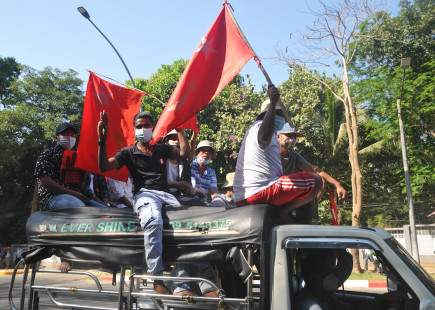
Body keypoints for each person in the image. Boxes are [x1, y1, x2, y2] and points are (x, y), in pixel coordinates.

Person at [97, 110, 194, 295]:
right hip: (144, 195)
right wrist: (102, 140)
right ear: (134, 130)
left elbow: (184, 154)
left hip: (167, 195)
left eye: (146, 126)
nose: (143, 129)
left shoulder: (162, 149)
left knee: (187, 228)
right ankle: (157, 280)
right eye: (139, 126)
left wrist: (180, 130)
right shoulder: (127, 152)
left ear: (153, 128)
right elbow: (104, 167)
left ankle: (180, 284)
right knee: (153, 221)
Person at [233, 85, 323, 221]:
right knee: (317, 181)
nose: (282, 120)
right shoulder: (259, 127)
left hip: (248, 194)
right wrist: (273, 104)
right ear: (269, 113)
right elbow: (263, 137)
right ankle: (281, 212)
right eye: (279, 115)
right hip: (262, 190)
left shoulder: (262, 133)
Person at [34, 121, 88, 272]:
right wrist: (74, 194)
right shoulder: (47, 154)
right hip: (51, 198)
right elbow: (45, 181)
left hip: (76, 196)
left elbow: (80, 187)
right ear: (57, 137)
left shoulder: (78, 156)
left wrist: (83, 177)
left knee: (104, 212)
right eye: (65, 135)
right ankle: (66, 257)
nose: (69, 138)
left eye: (72, 135)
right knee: (75, 207)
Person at [277, 124, 347, 223]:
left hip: (287, 189)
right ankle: (282, 212)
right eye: (289, 136)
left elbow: (315, 169)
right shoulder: (272, 153)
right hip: (275, 187)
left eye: (294, 137)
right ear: (278, 136)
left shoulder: (293, 155)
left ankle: (300, 210)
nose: (292, 139)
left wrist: (337, 184)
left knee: (321, 179)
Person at [296, 249, 402, 310]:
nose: (333, 276)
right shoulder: (309, 305)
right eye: (328, 272)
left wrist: (381, 300)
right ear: (312, 277)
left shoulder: (323, 297)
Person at [163, 129, 205, 204]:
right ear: (166, 142)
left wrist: (193, 190)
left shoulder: (184, 164)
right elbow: (154, 184)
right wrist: (174, 184)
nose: (176, 142)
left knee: (198, 203)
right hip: (160, 195)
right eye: (173, 139)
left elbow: (186, 186)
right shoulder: (159, 160)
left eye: (179, 139)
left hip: (177, 196)